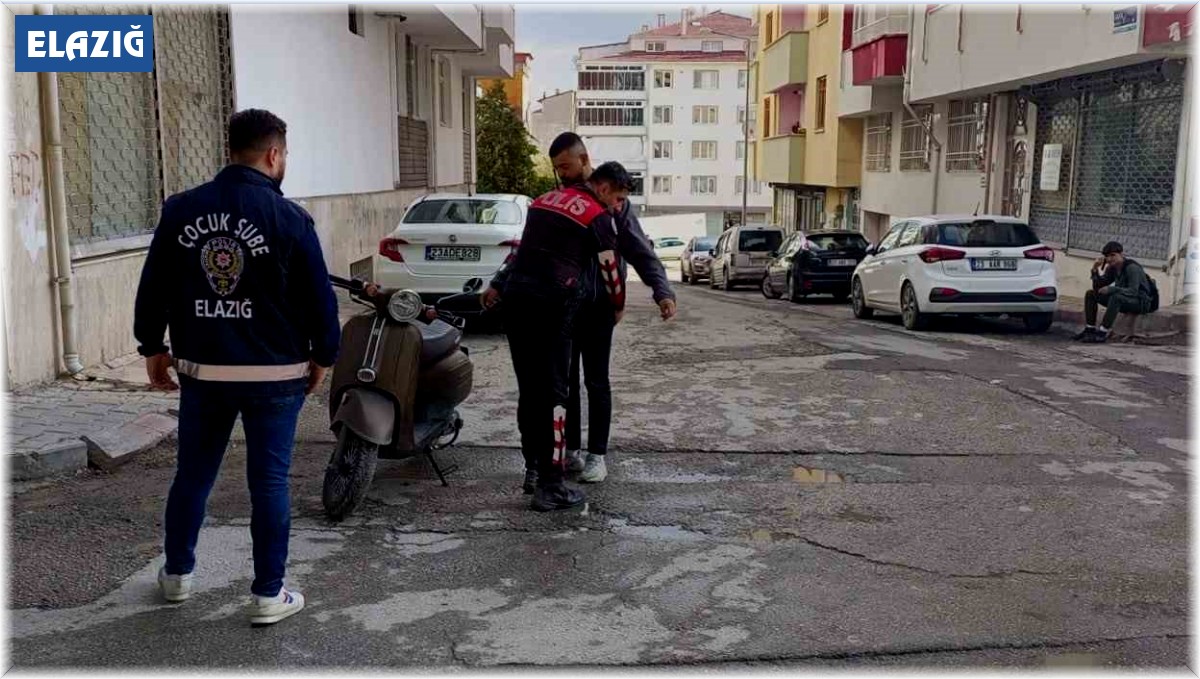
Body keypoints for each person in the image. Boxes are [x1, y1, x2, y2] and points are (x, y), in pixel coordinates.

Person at [133, 109, 340, 626]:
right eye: (284, 154)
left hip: (204, 372)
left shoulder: (181, 210)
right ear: (274, 154)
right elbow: (320, 300)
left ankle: (177, 575)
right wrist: (324, 356)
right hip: (276, 375)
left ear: (231, 149)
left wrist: (151, 347)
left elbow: (153, 284)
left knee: (194, 475)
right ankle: (269, 594)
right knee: (269, 482)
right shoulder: (291, 220)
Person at [483, 161, 632, 511]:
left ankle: (532, 469)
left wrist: (498, 284)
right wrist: (617, 305)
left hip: (517, 303)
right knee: (555, 395)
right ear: (606, 188)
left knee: (530, 391)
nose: (618, 207)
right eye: (619, 198)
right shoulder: (596, 215)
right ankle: (552, 484)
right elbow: (610, 269)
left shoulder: (543, 201)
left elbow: (521, 252)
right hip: (552, 306)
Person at [541, 133, 677, 485]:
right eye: (557, 169)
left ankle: (596, 456)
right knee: (563, 382)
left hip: (600, 307)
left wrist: (661, 291)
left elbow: (638, 250)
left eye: (566, 167)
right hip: (562, 307)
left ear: (585, 160)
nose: (562, 175)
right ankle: (568, 449)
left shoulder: (616, 203)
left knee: (596, 381)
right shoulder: (561, 200)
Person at [1075, 241, 1154, 344]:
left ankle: (1102, 332)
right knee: (1091, 294)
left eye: (1113, 255)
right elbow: (1098, 288)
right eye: (1107, 256)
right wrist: (1095, 269)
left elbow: (1133, 291)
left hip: (1141, 302)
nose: (1110, 259)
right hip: (1124, 299)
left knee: (1115, 297)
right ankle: (1090, 329)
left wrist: (1111, 289)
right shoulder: (1112, 268)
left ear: (1121, 254)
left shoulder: (1132, 268)